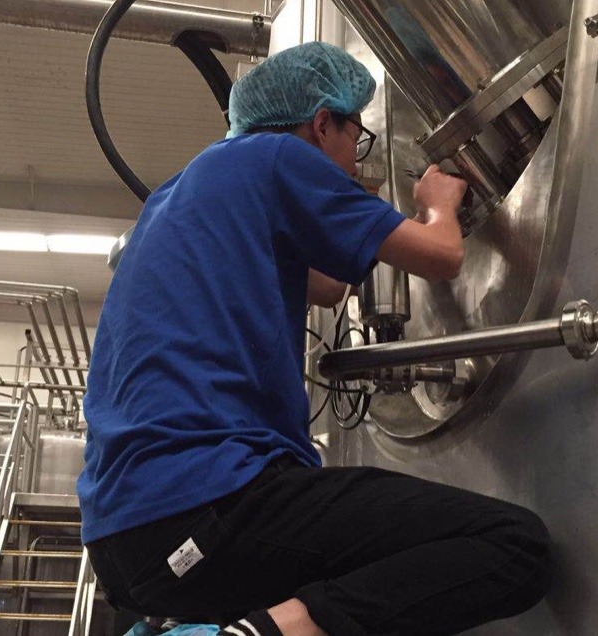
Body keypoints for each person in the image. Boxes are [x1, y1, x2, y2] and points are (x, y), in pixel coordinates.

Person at [78, 41, 551, 636]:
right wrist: (437, 205)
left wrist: (366, 223)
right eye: (358, 137)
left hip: (126, 537)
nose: (355, 160)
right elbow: (442, 256)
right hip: (207, 499)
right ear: (322, 123)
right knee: (513, 544)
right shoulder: (278, 157)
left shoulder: (185, 191)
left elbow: (327, 288)